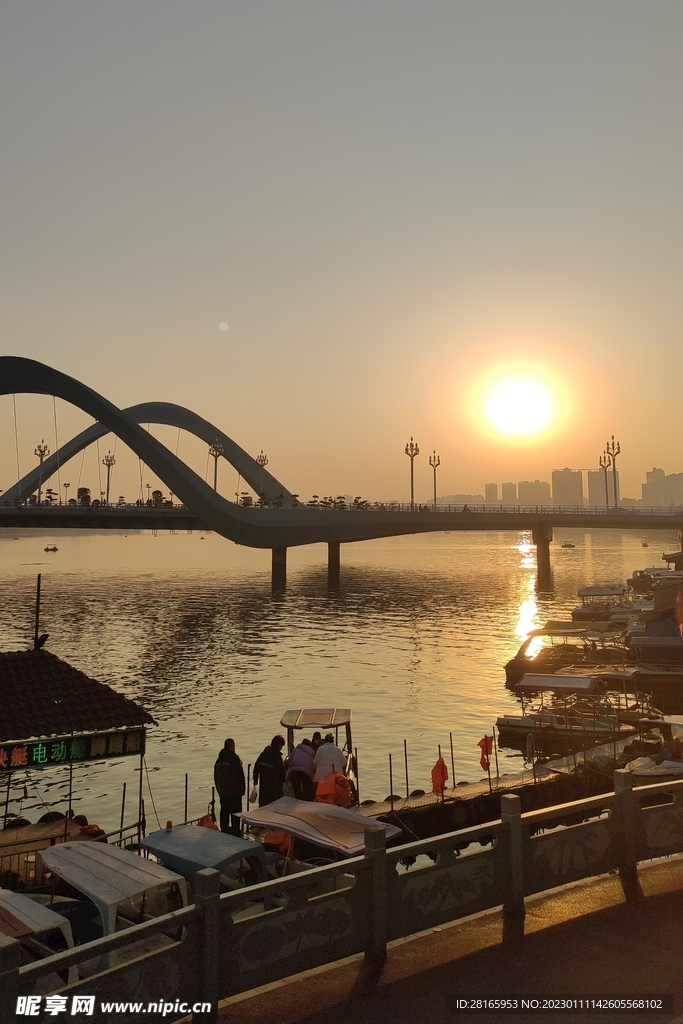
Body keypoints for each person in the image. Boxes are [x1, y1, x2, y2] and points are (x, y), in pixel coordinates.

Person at [213, 738, 245, 836]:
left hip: (223, 793)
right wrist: (242, 790)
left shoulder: (218, 761)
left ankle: (224, 833)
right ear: (232, 746)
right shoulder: (234, 759)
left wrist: (219, 790)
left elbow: (215, 777)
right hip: (234, 793)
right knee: (236, 815)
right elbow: (240, 776)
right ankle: (235, 834)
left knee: (224, 814)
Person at [253, 735, 286, 806]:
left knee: (262, 807)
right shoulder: (277, 757)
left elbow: (256, 767)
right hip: (274, 790)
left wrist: (255, 779)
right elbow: (282, 775)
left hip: (263, 788)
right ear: (279, 746)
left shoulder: (263, 754)